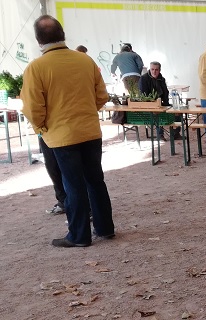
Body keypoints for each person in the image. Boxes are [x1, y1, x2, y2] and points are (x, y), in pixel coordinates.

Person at [21, 15, 114, 247]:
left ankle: (79, 235)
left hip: (61, 136)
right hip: (90, 131)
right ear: (63, 35)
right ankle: (105, 228)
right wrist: (85, 113)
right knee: (96, 180)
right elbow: (102, 96)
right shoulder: (86, 60)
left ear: (38, 40)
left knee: (73, 184)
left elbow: (33, 107)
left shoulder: (36, 67)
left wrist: (42, 127)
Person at [139, 61, 180, 141]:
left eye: (156, 70)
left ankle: (176, 133)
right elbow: (144, 96)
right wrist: (155, 103)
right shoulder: (143, 79)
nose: (154, 71)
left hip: (162, 103)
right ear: (150, 69)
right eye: (152, 69)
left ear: (159, 70)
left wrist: (166, 104)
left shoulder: (161, 78)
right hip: (149, 105)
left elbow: (165, 92)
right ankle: (160, 135)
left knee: (177, 111)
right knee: (157, 113)